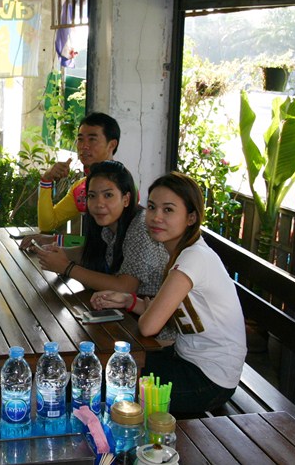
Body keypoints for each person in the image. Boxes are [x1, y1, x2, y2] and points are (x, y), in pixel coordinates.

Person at [90, 172, 246, 413]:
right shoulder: (183, 252)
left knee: (98, 384)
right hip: (186, 359)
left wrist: (139, 306)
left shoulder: (193, 258)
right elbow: (168, 310)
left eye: (168, 210)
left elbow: (149, 326)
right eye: (152, 207)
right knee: (103, 368)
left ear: (191, 217)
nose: (156, 217)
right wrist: (128, 300)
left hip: (207, 379)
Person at [29, 161, 168, 297]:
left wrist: (66, 267)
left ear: (126, 199)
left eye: (108, 195)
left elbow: (126, 287)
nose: (99, 204)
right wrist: (56, 251)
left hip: (149, 309)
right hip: (119, 307)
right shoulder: (109, 223)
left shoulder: (141, 228)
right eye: (92, 196)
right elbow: (94, 252)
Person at [37, 112, 120, 233]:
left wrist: (57, 240)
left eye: (92, 139)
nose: (84, 146)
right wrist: (46, 179)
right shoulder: (81, 188)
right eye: (80, 139)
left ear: (111, 145)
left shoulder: (122, 183)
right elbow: (47, 224)